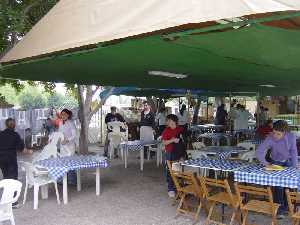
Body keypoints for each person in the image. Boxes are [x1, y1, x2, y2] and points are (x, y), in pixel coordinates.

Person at [256, 120, 298, 216]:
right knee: (278, 186)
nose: (275, 135)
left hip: (289, 162)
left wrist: (295, 165)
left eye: (278, 134)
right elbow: (259, 152)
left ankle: (287, 207)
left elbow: (294, 151)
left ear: (285, 132)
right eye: (274, 132)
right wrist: (266, 164)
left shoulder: (291, 137)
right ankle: (279, 210)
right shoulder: (270, 138)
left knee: (288, 185)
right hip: (276, 162)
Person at [0, 118, 32, 208]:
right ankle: (12, 203)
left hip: (1, 160)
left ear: (6, 125)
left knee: (6, 178)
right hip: (10, 159)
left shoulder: (1, 134)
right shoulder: (15, 135)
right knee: (13, 179)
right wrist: (30, 151)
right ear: (14, 125)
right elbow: (22, 149)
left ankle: (6, 199)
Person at [161, 114, 185, 198]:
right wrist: (172, 140)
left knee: (178, 170)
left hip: (179, 153)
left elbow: (185, 137)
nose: (168, 122)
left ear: (175, 121)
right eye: (167, 121)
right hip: (169, 152)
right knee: (170, 170)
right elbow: (164, 143)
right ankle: (170, 188)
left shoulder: (180, 129)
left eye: (170, 120)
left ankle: (178, 186)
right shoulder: (166, 131)